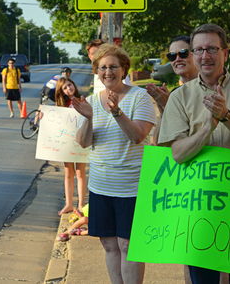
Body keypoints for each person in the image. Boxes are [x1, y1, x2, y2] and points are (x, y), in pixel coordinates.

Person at [158, 24, 230, 284]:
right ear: (193, 55)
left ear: (225, 53)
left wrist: (226, 116)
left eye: (211, 49)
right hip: (199, 205)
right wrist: (208, 126)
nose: (204, 55)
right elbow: (178, 154)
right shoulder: (180, 97)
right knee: (203, 279)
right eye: (198, 50)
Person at [72, 44, 156, 284]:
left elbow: (138, 136)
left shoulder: (139, 97)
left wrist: (117, 112)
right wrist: (88, 118)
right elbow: (83, 142)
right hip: (100, 186)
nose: (108, 72)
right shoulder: (91, 101)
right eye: (103, 68)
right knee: (109, 244)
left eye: (113, 67)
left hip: (131, 187)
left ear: (124, 69)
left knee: (128, 245)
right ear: (97, 72)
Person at [146, 35, 198, 145]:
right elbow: (157, 142)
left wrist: (170, 106)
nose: (177, 59)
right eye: (172, 56)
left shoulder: (210, 89)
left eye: (183, 53)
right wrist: (164, 109)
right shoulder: (175, 93)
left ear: (195, 54)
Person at [55, 77, 87, 215]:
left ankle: (81, 204)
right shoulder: (61, 106)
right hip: (67, 143)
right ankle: (68, 204)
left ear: (74, 84)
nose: (69, 89)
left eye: (70, 85)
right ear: (61, 92)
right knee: (68, 172)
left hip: (81, 141)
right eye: (65, 88)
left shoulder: (82, 100)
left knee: (80, 172)